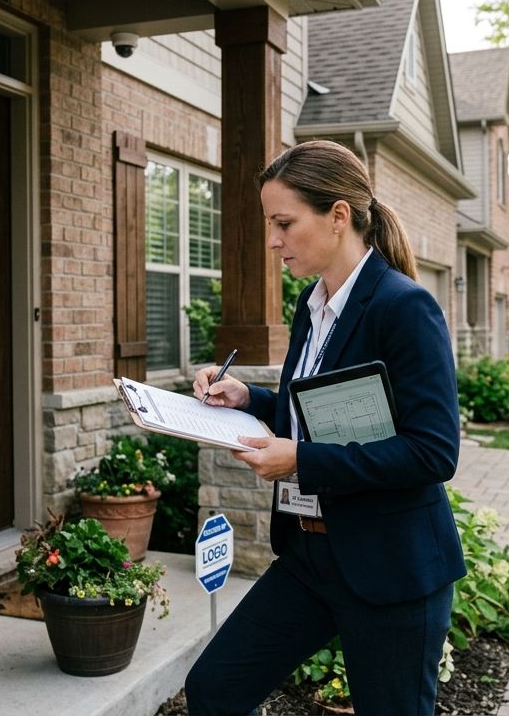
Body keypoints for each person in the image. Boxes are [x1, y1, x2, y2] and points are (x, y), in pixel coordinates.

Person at [183, 140, 464, 715]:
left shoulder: (403, 307)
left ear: (338, 216)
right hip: (311, 557)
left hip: (392, 569)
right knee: (214, 688)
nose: (272, 240)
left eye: (284, 222)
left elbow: (433, 452)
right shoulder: (310, 306)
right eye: (270, 223)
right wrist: (253, 397)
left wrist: (300, 462)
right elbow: (316, 411)